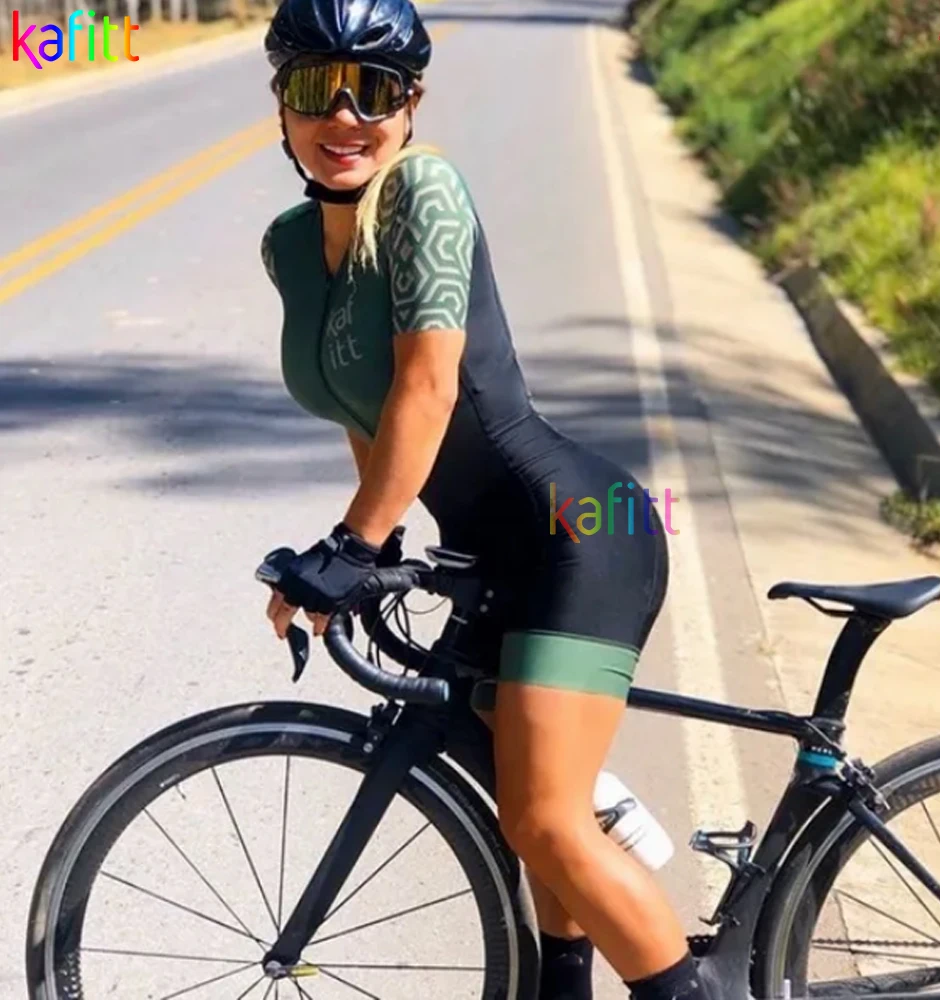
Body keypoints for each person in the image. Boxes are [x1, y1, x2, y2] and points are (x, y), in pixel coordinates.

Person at [259, 0, 709, 997]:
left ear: (410, 104)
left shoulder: (425, 191)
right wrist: (373, 542)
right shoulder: (290, 247)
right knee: (534, 814)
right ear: (281, 105)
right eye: (316, 89)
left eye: (373, 91)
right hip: (495, 550)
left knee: (543, 819)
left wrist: (353, 543)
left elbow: (427, 387)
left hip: (581, 531)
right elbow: (365, 406)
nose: (344, 117)